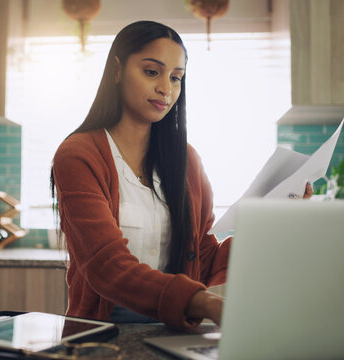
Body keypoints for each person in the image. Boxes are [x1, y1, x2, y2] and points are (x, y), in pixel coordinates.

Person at [50, 20, 312, 329]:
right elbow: (107, 267)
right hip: (102, 334)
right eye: (152, 72)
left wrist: (276, 224)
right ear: (117, 70)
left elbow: (203, 255)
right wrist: (206, 303)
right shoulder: (79, 155)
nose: (166, 88)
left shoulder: (186, 160)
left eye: (177, 77)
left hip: (174, 330)